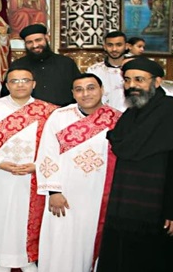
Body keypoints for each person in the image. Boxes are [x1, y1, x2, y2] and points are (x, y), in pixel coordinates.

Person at [97, 57, 173, 272]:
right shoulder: (130, 115)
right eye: (127, 80)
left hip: (163, 210)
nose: (132, 85)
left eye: (139, 80)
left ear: (156, 82)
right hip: (126, 209)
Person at [35, 73, 121, 272]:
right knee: (62, 241)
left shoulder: (116, 119)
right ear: (73, 94)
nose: (86, 94)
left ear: (102, 90)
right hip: (65, 193)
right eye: (79, 89)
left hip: (99, 194)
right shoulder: (60, 116)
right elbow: (47, 153)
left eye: (91, 88)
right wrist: (53, 191)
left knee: (92, 239)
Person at [0, 68, 58, 272]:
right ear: (6, 85)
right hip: (0, 173)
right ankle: (1, 258)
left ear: (34, 84)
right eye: (14, 81)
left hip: (33, 174)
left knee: (27, 217)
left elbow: (55, 145)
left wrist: (38, 165)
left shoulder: (50, 111)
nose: (20, 84)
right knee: (0, 214)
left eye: (25, 80)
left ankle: (27, 259)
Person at [4, 24, 80, 106]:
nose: (35, 45)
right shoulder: (18, 65)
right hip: (28, 115)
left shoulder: (66, 63)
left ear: (47, 38)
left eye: (38, 40)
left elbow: (79, 90)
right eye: (29, 42)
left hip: (63, 114)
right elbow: (6, 95)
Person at [86, 31, 128, 112]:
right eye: (110, 45)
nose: (114, 49)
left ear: (126, 46)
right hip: (103, 118)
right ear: (104, 47)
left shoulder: (135, 69)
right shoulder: (94, 70)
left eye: (119, 45)